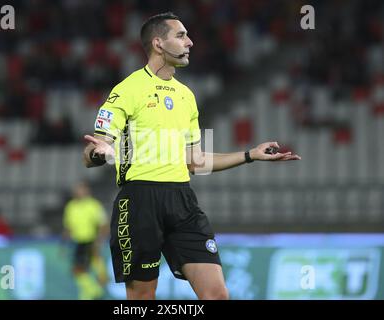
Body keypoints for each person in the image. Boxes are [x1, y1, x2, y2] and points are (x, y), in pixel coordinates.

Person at [82, 12, 301, 300]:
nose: (191, 42)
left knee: (217, 295)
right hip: (139, 201)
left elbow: (194, 161)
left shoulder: (186, 96)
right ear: (158, 43)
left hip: (182, 200)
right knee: (142, 299)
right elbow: (91, 153)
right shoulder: (127, 91)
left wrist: (250, 155)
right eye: (181, 35)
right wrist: (101, 152)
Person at [62, 180, 109, 300]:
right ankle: (91, 292)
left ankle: (93, 291)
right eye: (77, 190)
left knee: (94, 270)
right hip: (77, 242)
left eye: (82, 189)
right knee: (79, 270)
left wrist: (100, 239)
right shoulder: (71, 206)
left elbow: (103, 224)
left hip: (91, 240)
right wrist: (63, 244)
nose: (79, 192)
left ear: (87, 191)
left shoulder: (94, 205)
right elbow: (68, 227)